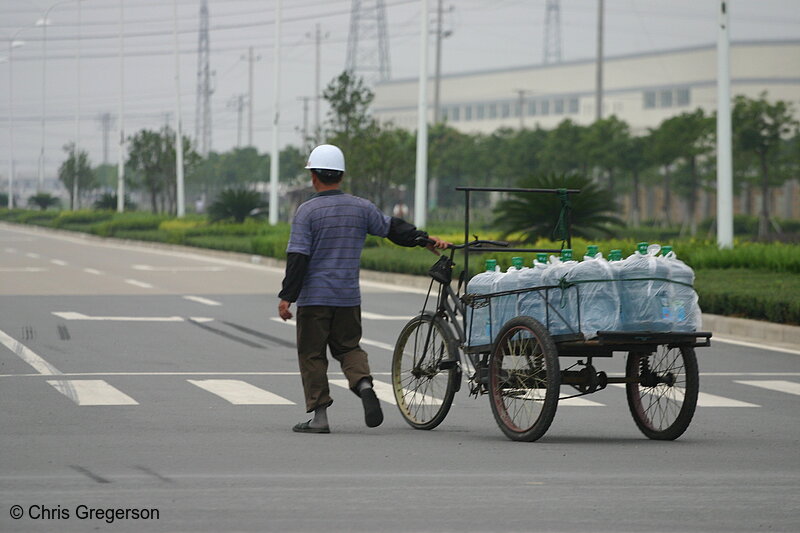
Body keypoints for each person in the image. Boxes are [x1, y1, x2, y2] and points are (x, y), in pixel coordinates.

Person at [278, 144, 450, 434]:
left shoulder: (307, 212)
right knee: (348, 347)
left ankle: (320, 418)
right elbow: (393, 228)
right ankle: (364, 384)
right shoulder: (361, 207)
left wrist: (287, 297)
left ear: (314, 177)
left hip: (315, 298)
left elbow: (298, 257)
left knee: (312, 354)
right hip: (347, 297)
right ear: (341, 176)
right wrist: (423, 239)